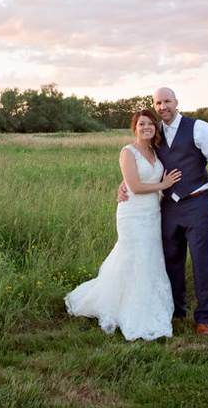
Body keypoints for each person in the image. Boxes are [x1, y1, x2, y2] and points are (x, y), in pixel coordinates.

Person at [118, 87, 208, 335]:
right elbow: (142, 163)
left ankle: (204, 317)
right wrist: (124, 184)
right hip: (167, 206)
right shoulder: (155, 134)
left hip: (198, 203)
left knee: (201, 262)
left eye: (167, 101)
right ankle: (177, 310)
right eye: (158, 103)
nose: (162, 107)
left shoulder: (199, 127)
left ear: (176, 102)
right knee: (171, 261)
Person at [65, 109, 182, 341]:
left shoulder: (155, 151)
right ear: (135, 128)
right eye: (141, 124)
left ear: (155, 128)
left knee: (149, 258)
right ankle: (126, 309)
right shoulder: (127, 151)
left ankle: (150, 305)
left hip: (152, 213)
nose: (146, 127)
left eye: (150, 123)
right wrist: (164, 184)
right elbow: (136, 187)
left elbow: (133, 179)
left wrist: (124, 183)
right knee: (133, 257)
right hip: (132, 214)